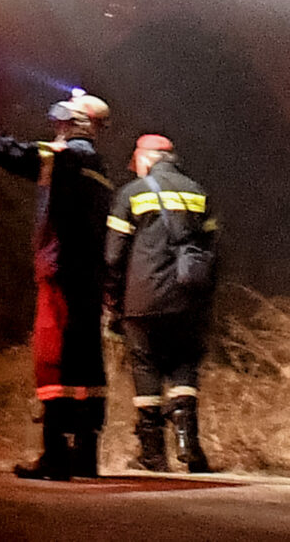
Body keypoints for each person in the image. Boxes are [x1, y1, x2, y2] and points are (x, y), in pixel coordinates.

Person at [0, 90, 114, 480]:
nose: (55, 127)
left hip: (60, 270)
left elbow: (16, 155)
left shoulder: (65, 158)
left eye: (61, 120)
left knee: (53, 357)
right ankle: (85, 454)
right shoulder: (99, 168)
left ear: (74, 122)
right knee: (87, 362)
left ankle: (55, 454)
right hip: (89, 276)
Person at [104, 133, 219, 473]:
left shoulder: (132, 193)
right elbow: (212, 251)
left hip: (142, 299)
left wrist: (112, 297)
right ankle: (190, 446)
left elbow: (112, 255)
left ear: (146, 159)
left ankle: (153, 454)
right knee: (184, 365)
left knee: (145, 365)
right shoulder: (199, 193)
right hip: (188, 299)